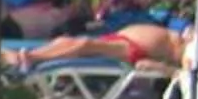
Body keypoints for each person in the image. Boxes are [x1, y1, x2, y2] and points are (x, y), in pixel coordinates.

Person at [11, 16, 183, 74]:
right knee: (67, 41)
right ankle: (28, 56)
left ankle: (34, 58)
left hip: (133, 49)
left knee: (85, 43)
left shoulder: (192, 56)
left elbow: (179, 74)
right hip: (122, 38)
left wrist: (161, 68)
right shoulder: (193, 39)